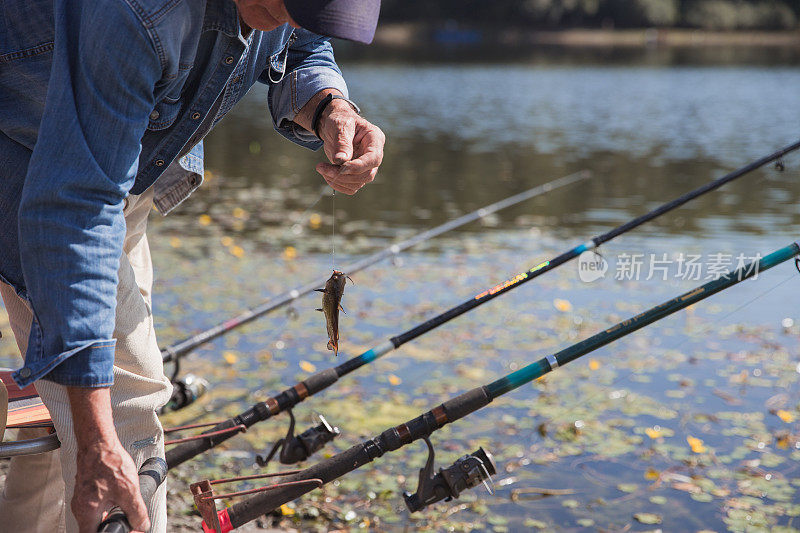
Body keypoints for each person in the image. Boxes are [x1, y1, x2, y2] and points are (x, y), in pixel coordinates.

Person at [0, 0, 384, 530]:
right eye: (292, 6)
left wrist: (330, 106)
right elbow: (76, 213)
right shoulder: (140, 14)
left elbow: (302, 44)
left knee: (69, 399)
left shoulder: (285, 14)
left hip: (120, 171)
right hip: (44, 175)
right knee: (120, 419)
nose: (298, 21)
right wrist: (97, 437)